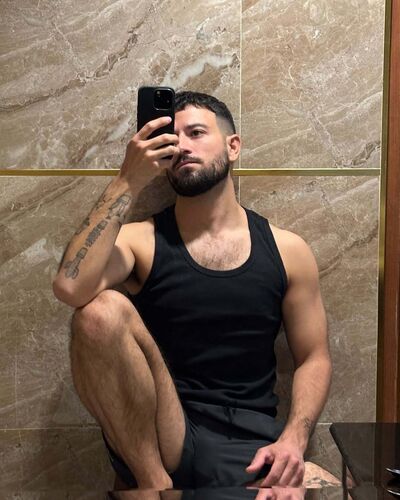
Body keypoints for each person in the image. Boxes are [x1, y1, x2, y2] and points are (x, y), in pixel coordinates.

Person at [53, 91, 332, 493]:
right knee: (99, 311)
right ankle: (155, 485)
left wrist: (294, 440)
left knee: (346, 486)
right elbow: (70, 286)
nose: (181, 146)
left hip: (252, 445)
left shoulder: (288, 250)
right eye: (171, 137)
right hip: (167, 437)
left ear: (233, 146)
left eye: (196, 133)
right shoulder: (141, 240)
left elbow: (313, 357)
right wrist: (128, 179)